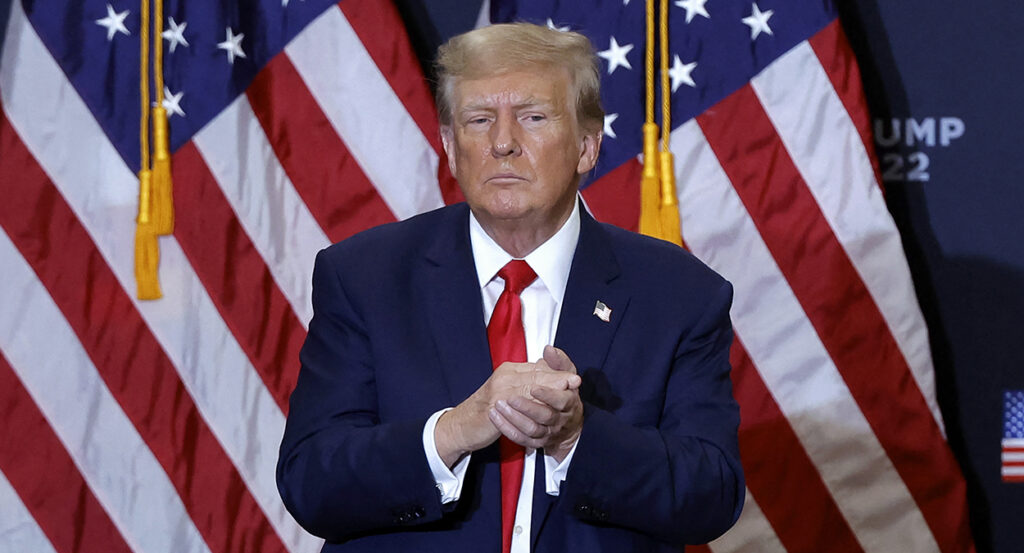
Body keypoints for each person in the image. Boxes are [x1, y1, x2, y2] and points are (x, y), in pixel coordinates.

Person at [276, 22, 743, 553]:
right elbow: (310, 481)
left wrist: (576, 438)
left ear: (587, 147)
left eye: (533, 117)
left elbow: (713, 495)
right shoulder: (364, 277)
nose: (502, 143)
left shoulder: (679, 293)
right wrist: (452, 432)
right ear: (451, 148)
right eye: (479, 120)